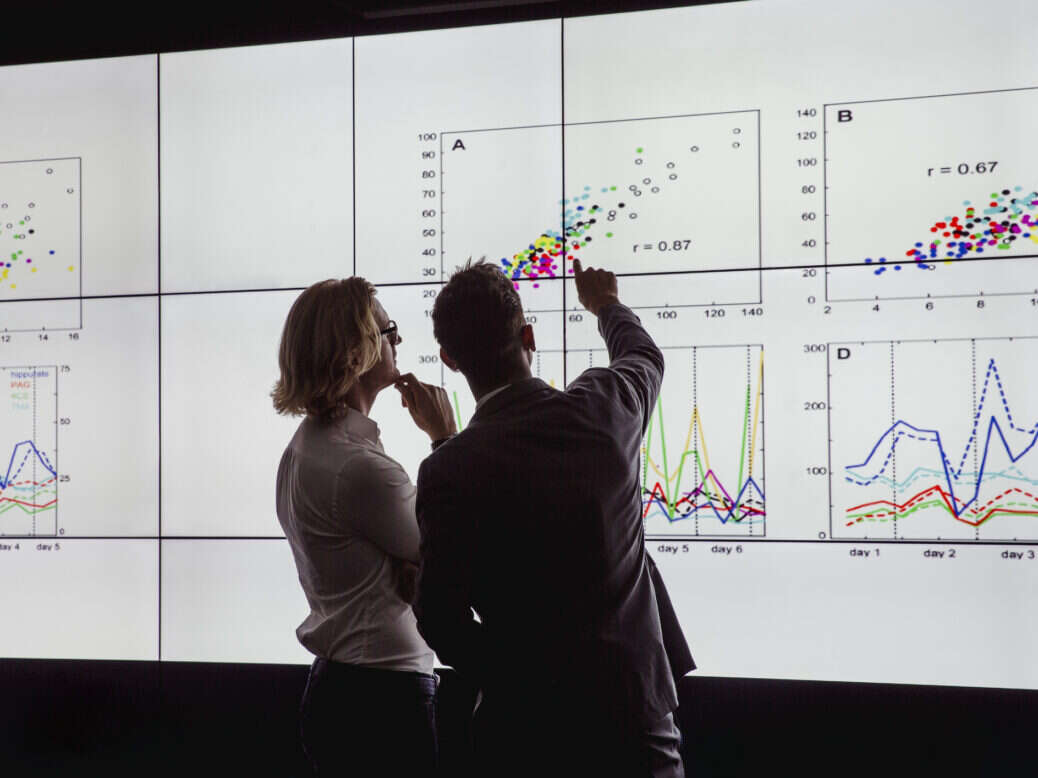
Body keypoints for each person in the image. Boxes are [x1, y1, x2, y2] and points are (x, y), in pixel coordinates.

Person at [399, 258, 693, 777]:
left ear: (448, 358)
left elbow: (440, 620)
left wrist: (523, 674)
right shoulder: (605, 406)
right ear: (528, 335)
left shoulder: (449, 469)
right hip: (635, 726)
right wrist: (605, 305)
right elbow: (643, 354)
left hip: (526, 732)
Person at [272, 277, 456, 777]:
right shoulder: (358, 468)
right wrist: (446, 439)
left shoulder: (306, 449)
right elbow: (458, 553)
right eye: (386, 330)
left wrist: (413, 561)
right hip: (383, 701)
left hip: (343, 690)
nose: (396, 340)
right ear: (355, 351)